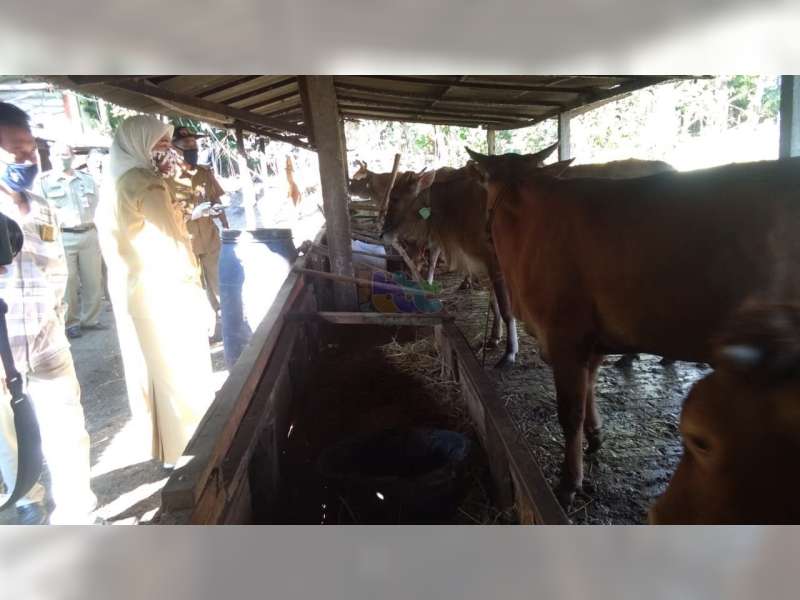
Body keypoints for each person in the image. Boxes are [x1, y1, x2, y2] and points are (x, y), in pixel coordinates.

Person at [95, 115, 214, 466]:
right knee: (183, 370)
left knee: (157, 371)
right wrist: (197, 292)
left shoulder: (115, 182)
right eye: (159, 142)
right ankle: (192, 450)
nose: (166, 149)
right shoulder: (145, 183)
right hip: (168, 291)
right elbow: (174, 242)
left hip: (136, 290)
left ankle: (170, 451)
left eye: (166, 142)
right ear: (139, 144)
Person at [0, 102, 97, 524]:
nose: (25, 158)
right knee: (9, 437)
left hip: (46, 341)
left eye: (29, 149)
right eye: (14, 150)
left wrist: (56, 316)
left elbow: (55, 267)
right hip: (2, 351)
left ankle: (78, 515)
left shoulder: (41, 205)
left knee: (67, 433)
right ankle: (27, 501)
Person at [37, 142, 105, 339]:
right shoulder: (45, 182)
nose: (62, 158)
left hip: (90, 233)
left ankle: (91, 319)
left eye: (65, 154)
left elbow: (99, 207)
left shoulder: (87, 180)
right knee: (69, 281)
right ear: (50, 157)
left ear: (73, 156)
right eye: (57, 155)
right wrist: (46, 243)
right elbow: (43, 215)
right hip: (62, 236)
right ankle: (71, 322)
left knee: (94, 279)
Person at [168, 126, 228, 322]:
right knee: (194, 286)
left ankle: (224, 318)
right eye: (186, 144)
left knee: (220, 281)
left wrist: (225, 225)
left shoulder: (204, 172)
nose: (192, 148)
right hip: (185, 241)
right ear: (173, 148)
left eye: (194, 144)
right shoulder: (165, 180)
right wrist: (192, 214)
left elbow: (216, 199)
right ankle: (204, 324)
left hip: (210, 237)